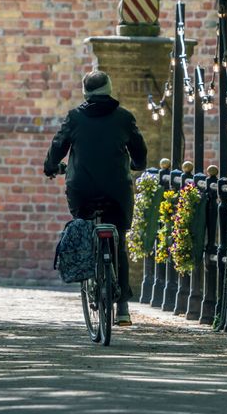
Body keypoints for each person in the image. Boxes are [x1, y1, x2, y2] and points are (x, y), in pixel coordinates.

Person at [43, 69, 148, 326]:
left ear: (85, 91)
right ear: (109, 89)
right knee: (119, 240)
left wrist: (51, 167)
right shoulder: (123, 118)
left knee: (84, 223)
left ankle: (90, 276)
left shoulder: (75, 118)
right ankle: (122, 307)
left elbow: (58, 147)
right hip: (117, 192)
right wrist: (137, 163)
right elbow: (140, 150)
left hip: (82, 191)